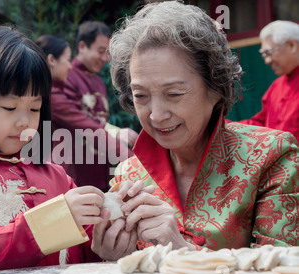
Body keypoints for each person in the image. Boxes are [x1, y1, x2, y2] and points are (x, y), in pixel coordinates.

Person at [0, 26, 139, 274]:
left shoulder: (57, 176)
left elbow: (85, 253)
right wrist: (52, 220)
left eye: (35, 109)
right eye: (10, 107)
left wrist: (114, 224)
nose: (25, 121)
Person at [102, 1, 299, 253]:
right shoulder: (128, 175)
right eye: (141, 96)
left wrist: (183, 250)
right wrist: (116, 257)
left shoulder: (272, 156)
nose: (157, 115)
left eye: (174, 94)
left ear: (216, 88)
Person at [58, 21, 138, 192]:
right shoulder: (67, 76)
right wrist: (116, 134)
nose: (104, 58)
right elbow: (79, 122)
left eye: (107, 53)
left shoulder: (99, 82)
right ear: (82, 46)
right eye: (100, 51)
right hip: (74, 172)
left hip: (100, 172)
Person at [239, 20, 299, 140]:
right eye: (264, 55)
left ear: (292, 45)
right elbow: (261, 125)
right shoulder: (276, 87)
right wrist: (226, 126)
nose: (267, 61)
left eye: (269, 53)